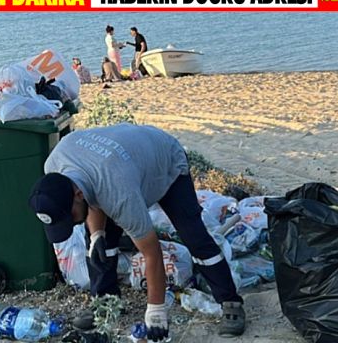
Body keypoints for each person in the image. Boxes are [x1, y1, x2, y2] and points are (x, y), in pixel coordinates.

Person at [28, 124, 246, 341]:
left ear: (76, 194)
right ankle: (105, 303)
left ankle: (230, 302)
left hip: (164, 160)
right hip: (123, 164)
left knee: (193, 236)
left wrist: (156, 310)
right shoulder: (54, 164)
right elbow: (90, 192)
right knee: (100, 244)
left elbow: (151, 253)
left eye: (70, 216)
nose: (71, 222)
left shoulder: (119, 194)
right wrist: (96, 235)